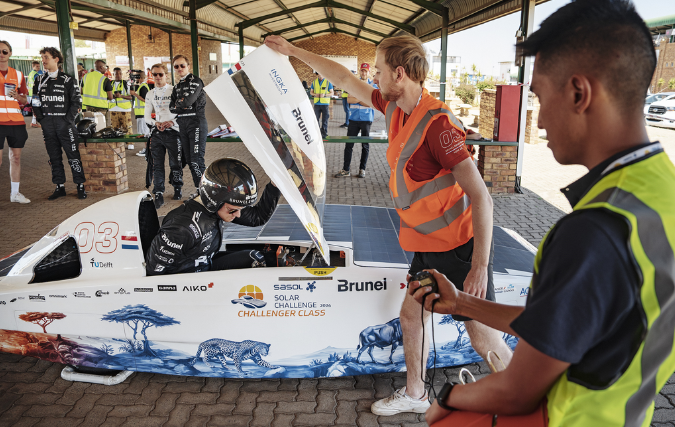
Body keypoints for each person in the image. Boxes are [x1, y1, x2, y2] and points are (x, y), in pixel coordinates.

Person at [406, 1, 675, 426]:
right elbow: (563, 325)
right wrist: (463, 303)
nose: (541, 120)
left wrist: (449, 399)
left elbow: (517, 391)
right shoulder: (662, 191)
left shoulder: (595, 232)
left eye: (539, 97)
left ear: (578, 93)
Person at [265, 30, 512, 417]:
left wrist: (479, 265)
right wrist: (293, 50)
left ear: (399, 73)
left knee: (480, 332)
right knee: (412, 313)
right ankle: (416, 393)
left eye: (378, 70)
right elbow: (344, 79)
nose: (373, 77)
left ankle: (524, 398)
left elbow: (481, 196)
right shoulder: (395, 107)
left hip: (459, 247)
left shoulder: (439, 125)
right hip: (429, 246)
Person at [146, 158, 281, 275]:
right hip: (190, 284)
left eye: (240, 209)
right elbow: (154, 272)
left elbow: (257, 217)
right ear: (214, 201)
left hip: (205, 266)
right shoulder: (182, 228)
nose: (238, 215)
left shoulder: (220, 206)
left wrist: (276, 184)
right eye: (233, 210)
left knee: (256, 258)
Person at [33, 47, 86, 200]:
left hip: (65, 124)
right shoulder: (39, 80)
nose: (43, 61)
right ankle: (59, 186)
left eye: (46, 57)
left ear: (56, 59)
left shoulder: (68, 80)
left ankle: (80, 185)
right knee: (53, 157)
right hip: (48, 124)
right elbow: (35, 101)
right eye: (42, 57)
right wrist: (41, 119)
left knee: (73, 156)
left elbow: (77, 102)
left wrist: (67, 120)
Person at [144, 63, 182, 208]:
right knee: (157, 165)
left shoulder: (175, 90)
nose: (158, 77)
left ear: (166, 75)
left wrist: (172, 122)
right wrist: (155, 123)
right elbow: (146, 117)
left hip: (174, 132)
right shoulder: (150, 93)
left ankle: (177, 187)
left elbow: (182, 112)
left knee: (175, 163)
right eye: (155, 75)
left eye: (161, 74)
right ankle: (158, 193)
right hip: (157, 133)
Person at [170, 54, 207, 190]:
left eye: (182, 65)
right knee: (191, 162)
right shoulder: (177, 87)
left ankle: (206, 192)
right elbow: (171, 108)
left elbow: (188, 101)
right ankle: (199, 191)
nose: (179, 68)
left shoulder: (196, 81)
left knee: (197, 161)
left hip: (196, 123)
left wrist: (180, 103)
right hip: (182, 124)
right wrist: (181, 104)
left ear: (188, 66)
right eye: (176, 66)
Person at [335, 63, 378, 179]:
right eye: (362, 71)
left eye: (366, 71)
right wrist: (363, 98)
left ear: (368, 72)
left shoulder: (373, 86)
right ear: (360, 71)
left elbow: (371, 103)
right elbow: (349, 99)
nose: (364, 73)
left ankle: (362, 169)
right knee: (349, 145)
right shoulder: (354, 83)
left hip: (366, 120)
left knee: (365, 145)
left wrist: (357, 98)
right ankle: (346, 170)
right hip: (353, 119)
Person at [0, 40, 30, 204]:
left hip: (16, 122)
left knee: (16, 158)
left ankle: (15, 194)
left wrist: (18, 97)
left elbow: (25, 99)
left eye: (4, 51)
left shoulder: (18, 74)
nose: (1, 55)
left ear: (10, 53)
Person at [81, 60, 113, 125]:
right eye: (105, 67)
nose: (106, 69)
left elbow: (81, 91)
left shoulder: (85, 76)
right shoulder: (104, 79)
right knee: (102, 128)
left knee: (90, 126)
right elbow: (110, 97)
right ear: (101, 67)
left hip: (88, 107)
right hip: (101, 109)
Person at [130, 70, 151, 156]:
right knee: (144, 132)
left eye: (137, 78)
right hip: (141, 113)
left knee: (145, 133)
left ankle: (147, 150)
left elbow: (145, 100)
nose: (136, 79)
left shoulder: (143, 87)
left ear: (140, 78)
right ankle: (147, 149)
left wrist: (134, 94)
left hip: (143, 113)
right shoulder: (142, 86)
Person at [310, 71, 333, 138]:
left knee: (325, 119)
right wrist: (315, 94)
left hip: (325, 103)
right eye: (319, 73)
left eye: (322, 73)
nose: (320, 74)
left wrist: (325, 95)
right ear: (318, 74)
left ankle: (324, 132)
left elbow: (332, 93)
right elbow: (311, 92)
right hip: (317, 103)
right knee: (316, 119)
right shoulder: (314, 82)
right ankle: (316, 133)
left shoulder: (328, 82)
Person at [110, 67, 133, 134]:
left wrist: (121, 96)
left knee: (128, 129)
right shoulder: (110, 84)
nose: (118, 75)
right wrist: (113, 96)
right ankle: (118, 144)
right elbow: (106, 96)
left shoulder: (127, 84)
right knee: (114, 131)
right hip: (113, 110)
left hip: (125, 110)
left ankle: (130, 144)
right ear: (113, 74)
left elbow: (131, 97)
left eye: (120, 73)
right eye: (116, 74)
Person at [27, 61, 43, 129]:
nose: (38, 67)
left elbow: (28, 83)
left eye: (39, 66)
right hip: (35, 94)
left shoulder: (30, 73)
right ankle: (34, 122)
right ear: (33, 66)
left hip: (31, 94)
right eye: (37, 66)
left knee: (35, 109)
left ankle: (34, 122)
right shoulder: (36, 74)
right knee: (37, 108)